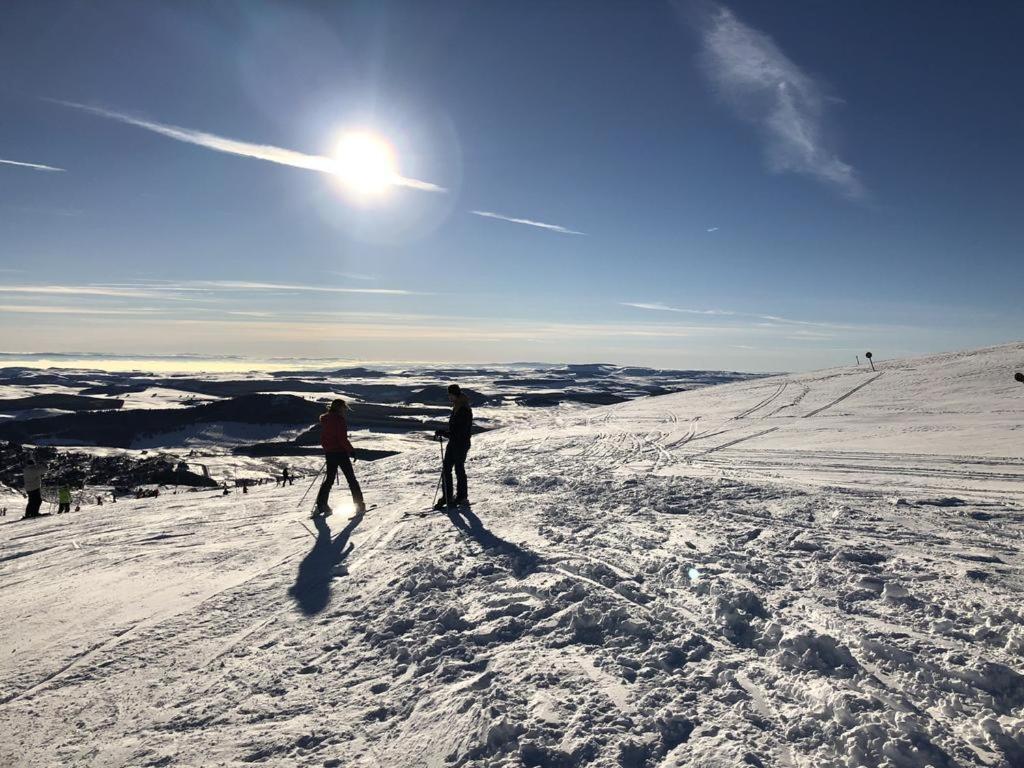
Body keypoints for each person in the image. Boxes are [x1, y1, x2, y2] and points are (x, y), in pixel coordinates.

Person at [315, 399, 364, 517]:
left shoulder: (325, 419)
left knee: (329, 480)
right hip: (340, 453)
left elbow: (323, 438)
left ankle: (321, 505)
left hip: (330, 453)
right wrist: (351, 451)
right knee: (351, 479)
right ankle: (359, 505)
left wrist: (328, 450)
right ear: (339, 407)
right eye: (344, 407)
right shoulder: (339, 420)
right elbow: (342, 439)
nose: (345, 410)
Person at [434, 384, 473, 510]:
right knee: (448, 469)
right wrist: (445, 433)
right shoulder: (458, 406)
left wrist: (444, 433)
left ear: (455, 394)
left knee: (458, 469)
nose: (449, 397)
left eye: (450, 394)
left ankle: (461, 497)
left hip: (460, 444)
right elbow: (455, 430)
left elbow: (459, 431)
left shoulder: (463, 409)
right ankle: (448, 496)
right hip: (454, 443)